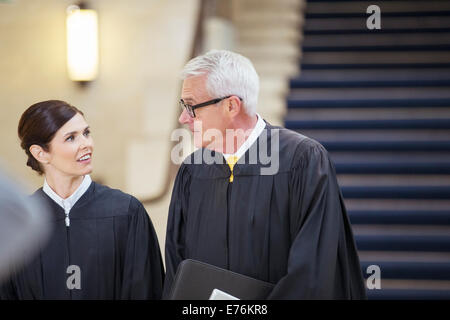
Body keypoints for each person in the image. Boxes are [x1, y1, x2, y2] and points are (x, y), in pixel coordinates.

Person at [164, 50, 366, 299]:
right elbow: (178, 270)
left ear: (231, 105)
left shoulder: (303, 161)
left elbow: (314, 272)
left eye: (191, 106)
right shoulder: (192, 173)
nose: (183, 118)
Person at [0, 100, 164, 299]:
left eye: (86, 133)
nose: (86, 144)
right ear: (40, 153)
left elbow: (146, 290)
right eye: (71, 138)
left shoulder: (126, 212)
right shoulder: (21, 221)